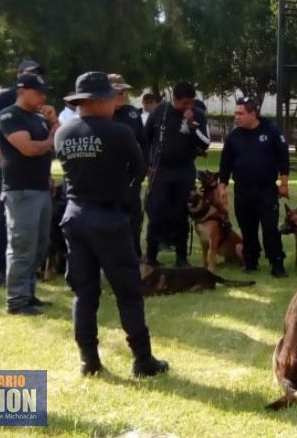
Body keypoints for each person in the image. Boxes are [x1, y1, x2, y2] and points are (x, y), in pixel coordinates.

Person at [55, 71, 168, 378]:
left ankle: (88, 360)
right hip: (109, 218)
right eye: (111, 97)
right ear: (99, 101)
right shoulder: (118, 133)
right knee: (128, 292)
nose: (116, 102)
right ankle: (142, 359)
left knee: (84, 293)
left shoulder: (63, 133)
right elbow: (140, 167)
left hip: (75, 216)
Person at [0, 74, 57, 315]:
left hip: (40, 187)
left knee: (39, 245)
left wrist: (52, 122)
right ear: (23, 91)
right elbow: (30, 148)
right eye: (39, 92)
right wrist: (51, 138)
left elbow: (51, 145)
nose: (43, 97)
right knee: (22, 245)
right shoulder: (10, 116)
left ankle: (29, 293)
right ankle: (17, 300)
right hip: (21, 190)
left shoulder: (38, 118)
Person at [0, 59, 44, 286]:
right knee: (3, 215)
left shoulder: (38, 100)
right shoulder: (3, 97)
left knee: (31, 219)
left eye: (38, 73)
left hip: (33, 168)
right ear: (18, 75)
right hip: (9, 166)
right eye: (29, 73)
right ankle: (2, 267)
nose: (35, 77)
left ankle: (29, 268)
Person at [217, 97, 289, 277]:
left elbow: (283, 158)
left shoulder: (270, 131)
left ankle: (276, 262)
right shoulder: (234, 136)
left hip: (266, 189)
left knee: (270, 227)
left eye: (240, 113)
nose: (236, 117)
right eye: (235, 113)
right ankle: (251, 260)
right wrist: (222, 186)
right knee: (247, 228)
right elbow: (225, 163)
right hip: (243, 189)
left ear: (252, 114)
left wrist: (284, 183)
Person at [143, 81, 210, 267]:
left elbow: (205, 144)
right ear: (175, 99)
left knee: (182, 214)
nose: (188, 107)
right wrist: (148, 163)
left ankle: (181, 257)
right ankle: (151, 256)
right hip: (161, 171)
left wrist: (191, 125)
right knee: (157, 213)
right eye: (185, 103)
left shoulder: (198, 115)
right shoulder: (160, 112)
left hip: (184, 171)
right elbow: (145, 138)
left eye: (191, 102)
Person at [109, 74, 148, 259]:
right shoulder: (102, 114)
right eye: (117, 91)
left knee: (133, 216)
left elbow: (143, 142)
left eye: (123, 91)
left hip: (131, 176)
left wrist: (143, 168)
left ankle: (134, 254)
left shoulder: (132, 114)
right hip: (108, 177)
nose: (122, 94)